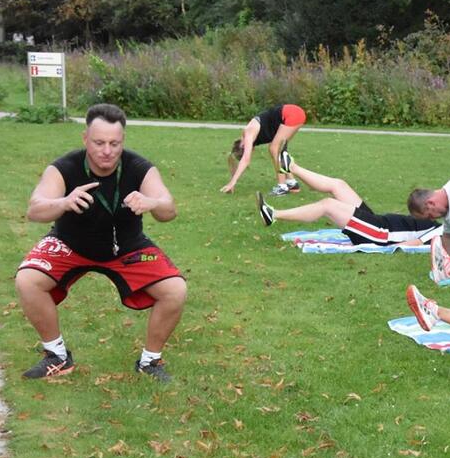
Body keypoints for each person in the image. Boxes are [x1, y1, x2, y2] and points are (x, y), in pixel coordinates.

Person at [15, 103, 187, 381]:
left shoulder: (140, 167)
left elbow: (169, 210)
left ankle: (150, 362)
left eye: (114, 143)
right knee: (27, 280)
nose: (106, 151)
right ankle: (57, 356)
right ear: (85, 139)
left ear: (123, 142)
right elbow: (35, 209)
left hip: (126, 247)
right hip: (71, 244)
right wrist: (64, 202)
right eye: (99, 142)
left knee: (175, 290)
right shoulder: (64, 167)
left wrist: (153, 202)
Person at [256, 164, 444, 246]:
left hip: (378, 233)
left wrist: (386, 247)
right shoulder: (444, 216)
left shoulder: (445, 230)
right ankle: (292, 167)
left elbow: (415, 243)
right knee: (339, 185)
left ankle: (273, 215)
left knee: (328, 205)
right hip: (378, 221)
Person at [221, 103, 308, 195]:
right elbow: (232, 158)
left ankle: (282, 186)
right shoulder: (251, 139)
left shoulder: (248, 132)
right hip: (295, 114)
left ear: (242, 145)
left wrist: (233, 182)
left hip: (291, 113)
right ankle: (291, 183)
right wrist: (232, 180)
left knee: (274, 148)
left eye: (247, 149)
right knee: (279, 150)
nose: (250, 151)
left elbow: (245, 160)